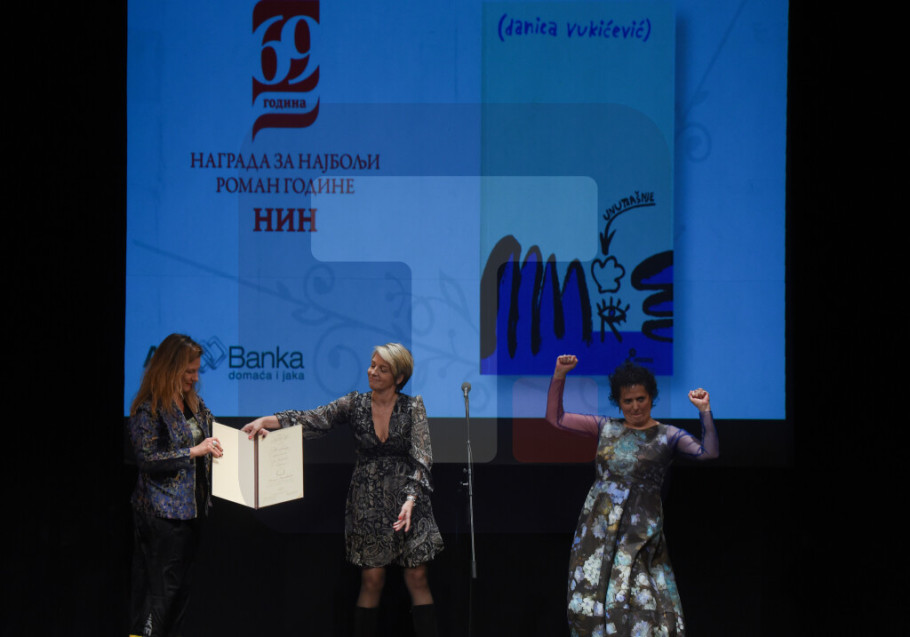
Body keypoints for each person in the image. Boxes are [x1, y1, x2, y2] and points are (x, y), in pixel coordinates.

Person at [242, 343, 444, 637]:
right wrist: (266, 421)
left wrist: (411, 498)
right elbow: (313, 418)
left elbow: (422, 456)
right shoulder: (355, 404)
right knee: (372, 580)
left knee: (417, 576)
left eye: (382, 369)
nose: (372, 372)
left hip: (409, 501)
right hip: (369, 500)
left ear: (399, 377)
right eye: (372, 365)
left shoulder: (413, 408)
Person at [545, 355, 718, 637]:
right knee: (591, 599)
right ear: (619, 402)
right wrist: (560, 374)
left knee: (641, 602)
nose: (635, 406)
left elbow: (708, 453)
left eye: (641, 399)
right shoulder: (606, 427)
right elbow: (557, 419)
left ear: (651, 398)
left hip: (640, 533)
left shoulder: (667, 435)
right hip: (599, 530)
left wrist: (705, 411)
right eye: (628, 401)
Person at [128, 333, 224, 637]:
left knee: (180, 595)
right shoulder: (149, 408)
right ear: (170, 368)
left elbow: (215, 434)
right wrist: (193, 451)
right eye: (189, 371)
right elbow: (147, 459)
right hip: (161, 517)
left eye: (196, 371)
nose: (195, 378)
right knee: (159, 597)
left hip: (191, 515)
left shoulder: (193, 403)